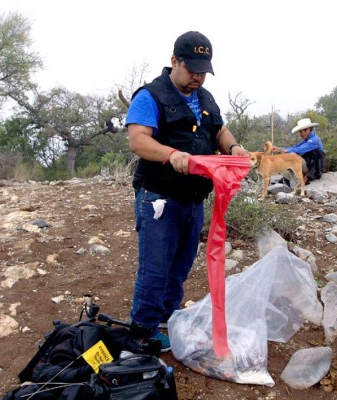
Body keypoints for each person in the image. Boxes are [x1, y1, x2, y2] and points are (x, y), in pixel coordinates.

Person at [125, 31, 249, 352]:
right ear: (174, 61)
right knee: (155, 267)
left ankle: (167, 319)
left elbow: (219, 129)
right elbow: (138, 140)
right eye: (191, 69)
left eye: (203, 71)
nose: (197, 77)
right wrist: (170, 154)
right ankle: (142, 331)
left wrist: (233, 147)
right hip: (159, 198)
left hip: (194, 200)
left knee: (180, 266)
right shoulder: (151, 96)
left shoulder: (206, 99)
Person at [273, 118, 326, 182]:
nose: (300, 134)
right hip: (308, 163)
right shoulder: (307, 140)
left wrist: (285, 151)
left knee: (292, 157)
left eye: (301, 132)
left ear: (308, 130)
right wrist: (280, 149)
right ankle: (290, 178)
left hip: (313, 167)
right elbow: (296, 147)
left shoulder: (314, 140)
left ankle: (298, 178)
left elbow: (300, 149)